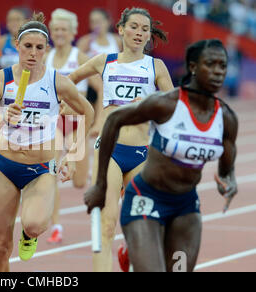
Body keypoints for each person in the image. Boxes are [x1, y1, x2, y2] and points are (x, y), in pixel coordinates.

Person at [84, 39, 238, 272]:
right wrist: (100, 185)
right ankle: (136, 247)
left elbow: (227, 169)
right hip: (146, 200)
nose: (218, 71)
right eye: (210, 64)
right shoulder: (167, 104)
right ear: (193, 67)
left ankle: (132, 249)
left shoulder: (225, 118)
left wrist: (229, 181)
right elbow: (114, 120)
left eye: (222, 66)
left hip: (185, 207)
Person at [0, 12, 94, 272]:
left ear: (46, 50)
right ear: (16, 45)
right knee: (0, 247)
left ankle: (29, 236)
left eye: (39, 48)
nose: (33, 53)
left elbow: (88, 112)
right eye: (27, 46)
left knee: (34, 224)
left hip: (40, 170)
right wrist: (1, 119)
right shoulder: (0, 79)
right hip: (5, 167)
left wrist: (73, 156)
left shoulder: (57, 82)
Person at [69, 7, 174, 272]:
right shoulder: (105, 61)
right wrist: (72, 104)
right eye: (134, 27)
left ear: (150, 35)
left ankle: (128, 250)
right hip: (109, 150)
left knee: (141, 228)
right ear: (121, 29)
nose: (139, 33)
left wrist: (152, 102)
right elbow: (68, 82)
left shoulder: (156, 66)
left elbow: (174, 107)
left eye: (145, 29)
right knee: (106, 223)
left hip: (141, 154)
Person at [44, 8, 102, 244]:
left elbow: (99, 88)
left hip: (78, 121)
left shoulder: (78, 57)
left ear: (72, 33)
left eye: (63, 30)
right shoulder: (46, 56)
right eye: (56, 29)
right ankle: (56, 225)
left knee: (79, 182)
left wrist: (98, 121)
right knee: (50, 173)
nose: (59, 33)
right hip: (53, 122)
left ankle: (91, 177)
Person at [77, 8, 123, 137]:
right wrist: (84, 51)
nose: (96, 25)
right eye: (93, 22)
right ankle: (98, 124)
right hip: (90, 78)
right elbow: (76, 63)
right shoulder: (85, 41)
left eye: (99, 21)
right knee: (102, 85)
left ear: (108, 22)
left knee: (107, 84)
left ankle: (103, 121)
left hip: (111, 77)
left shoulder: (117, 40)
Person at [0, 7, 29, 75]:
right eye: (10, 20)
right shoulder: (1, 41)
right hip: (3, 83)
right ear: (7, 24)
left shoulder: (31, 43)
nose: (14, 23)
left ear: (26, 22)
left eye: (17, 19)